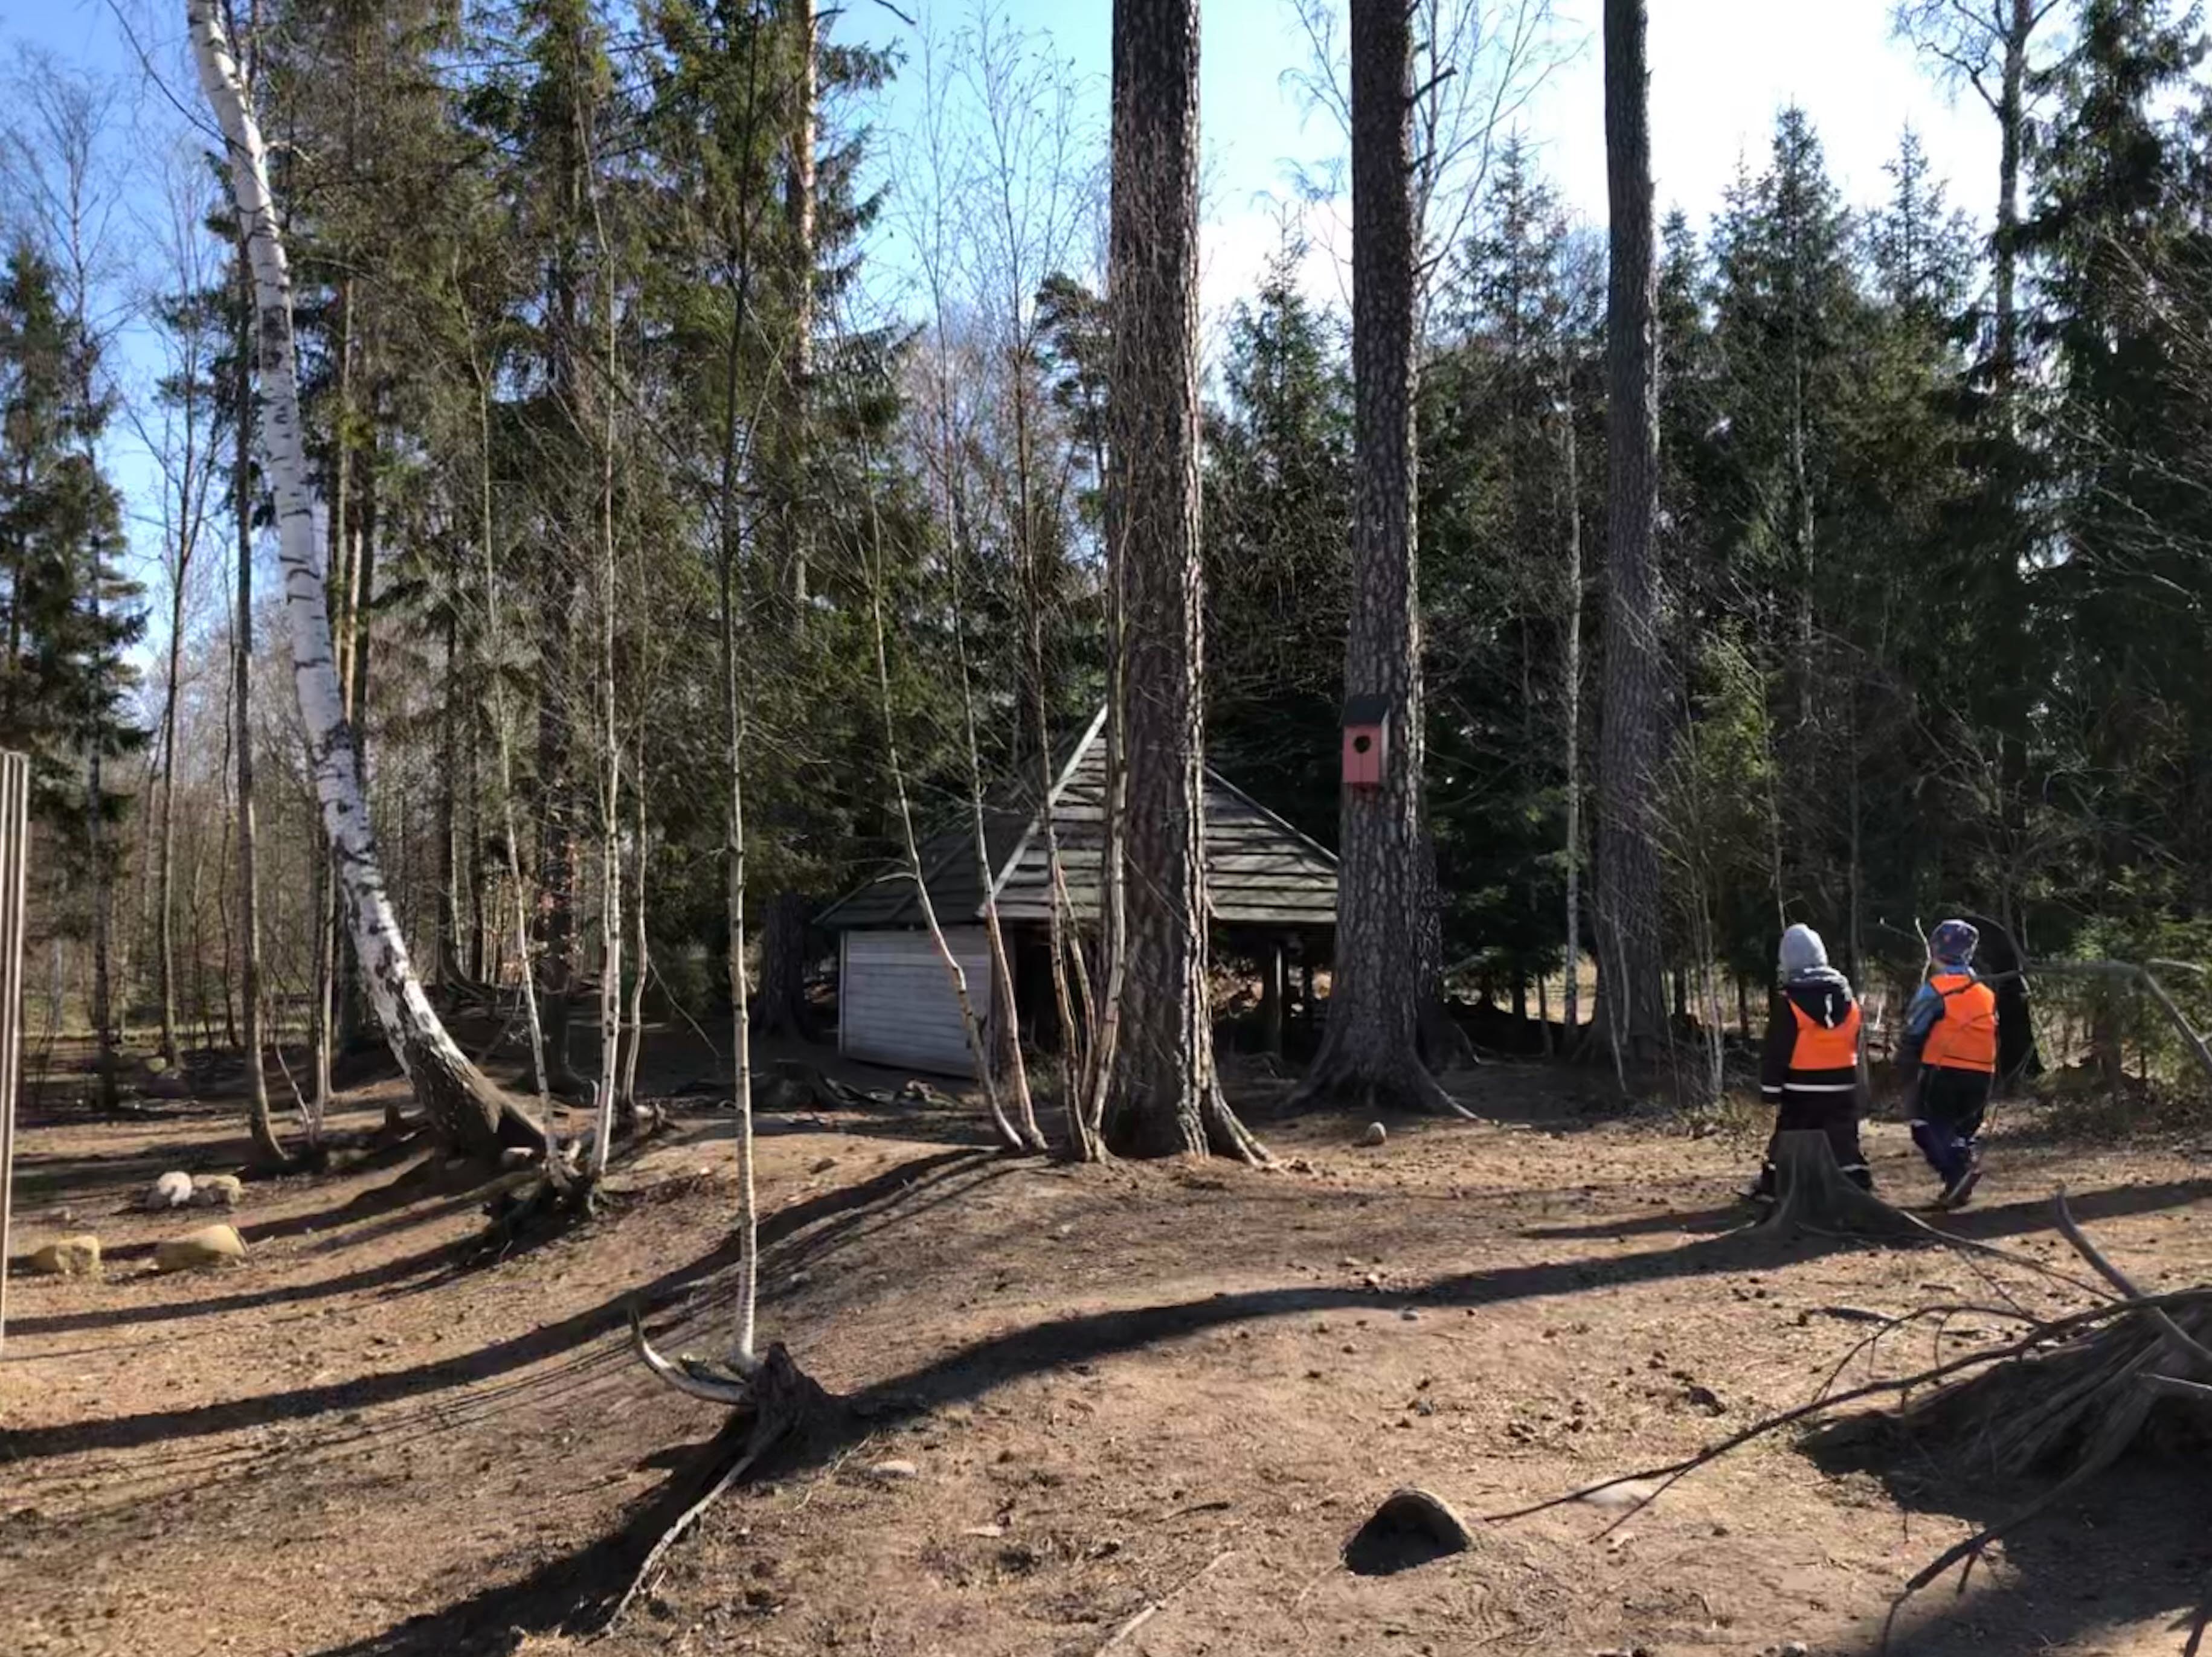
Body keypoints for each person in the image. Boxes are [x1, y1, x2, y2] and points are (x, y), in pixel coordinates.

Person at [1745, 923, 1873, 1205]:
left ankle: (1773, 1188)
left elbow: (1776, 1050)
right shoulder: (1849, 1001)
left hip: (1800, 1085)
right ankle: (1857, 1183)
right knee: (1843, 1138)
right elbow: (1855, 1041)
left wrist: (1770, 1090)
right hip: (1843, 1083)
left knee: (1789, 1136)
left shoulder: (1789, 1003)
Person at [1899, 918, 1998, 1210]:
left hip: (1944, 1069)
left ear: (1935, 950)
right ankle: (1961, 1173)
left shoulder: (1937, 988)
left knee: (1925, 1126)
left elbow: (1916, 1029)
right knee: (1963, 1130)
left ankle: (1956, 1175)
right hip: (1982, 1072)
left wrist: (1905, 1061)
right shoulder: (1986, 993)